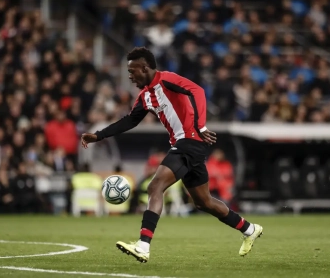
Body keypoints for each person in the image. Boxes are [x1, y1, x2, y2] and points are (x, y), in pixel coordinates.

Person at [81, 47, 263, 263]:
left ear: (144, 67)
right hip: (185, 145)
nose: (130, 77)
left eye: (132, 71)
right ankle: (249, 229)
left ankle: (143, 245)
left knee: (154, 186)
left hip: (190, 141)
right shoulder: (144, 97)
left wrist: (201, 125)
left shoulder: (166, 79)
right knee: (203, 202)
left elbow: (198, 91)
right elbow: (129, 121)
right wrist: (99, 135)